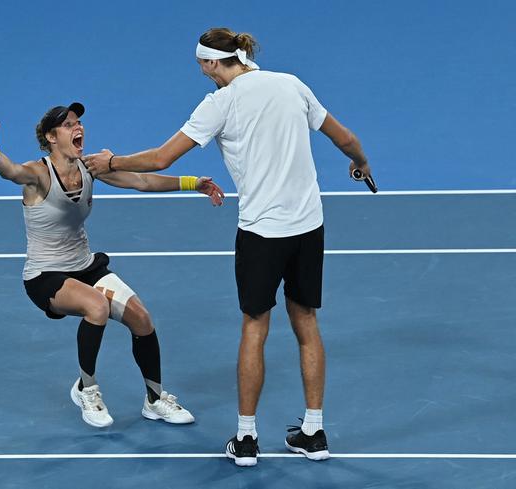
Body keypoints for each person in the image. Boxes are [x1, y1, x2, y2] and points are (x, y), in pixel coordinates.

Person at [84, 27, 372, 465]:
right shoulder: (291, 84)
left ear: (214, 63)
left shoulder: (219, 103)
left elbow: (162, 158)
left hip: (261, 234)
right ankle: (314, 433)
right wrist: (360, 161)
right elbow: (344, 137)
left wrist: (111, 162)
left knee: (255, 328)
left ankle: (246, 439)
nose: (200, 71)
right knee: (306, 323)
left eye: (202, 64)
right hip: (308, 226)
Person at [0, 103, 224, 429]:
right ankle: (86, 390)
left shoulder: (91, 168)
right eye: (68, 125)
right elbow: (11, 171)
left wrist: (192, 183)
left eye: (79, 123)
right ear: (50, 137)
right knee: (97, 306)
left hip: (86, 267)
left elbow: (142, 182)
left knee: (142, 319)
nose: (79, 129)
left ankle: (155, 399)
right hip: (45, 277)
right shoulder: (39, 173)